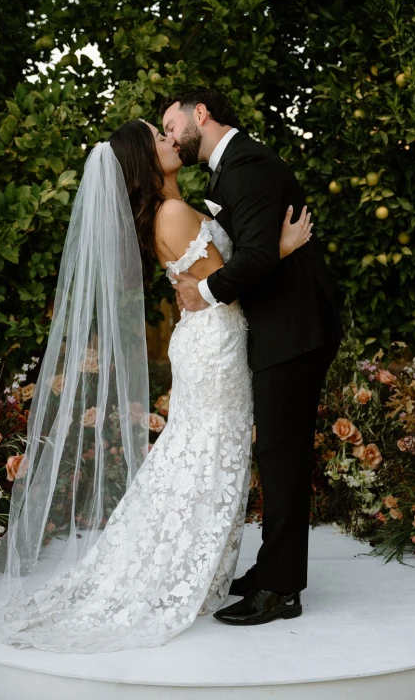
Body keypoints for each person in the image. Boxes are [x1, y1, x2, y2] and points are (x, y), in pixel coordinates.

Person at [0, 116, 311, 654]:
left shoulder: (176, 207)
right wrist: (285, 248)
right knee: (203, 457)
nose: (169, 139)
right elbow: (233, 283)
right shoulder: (174, 213)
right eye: (158, 139)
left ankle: (194, 565)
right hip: (214, 346)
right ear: (144, 161)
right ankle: (166, 569)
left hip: (211, 340)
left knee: (202, 454)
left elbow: (211, 282)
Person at [162, 87, 343, 626]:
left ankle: (281, 590)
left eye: (171, 124)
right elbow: (263, 249)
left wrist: (204, 293)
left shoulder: (249, 165)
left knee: (282, 458)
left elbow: (260, 256)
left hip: (295, 330)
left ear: (201, 114)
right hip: (281, 327)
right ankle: (270, 568)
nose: (170, 136)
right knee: (276, 456)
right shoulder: (232, 167)